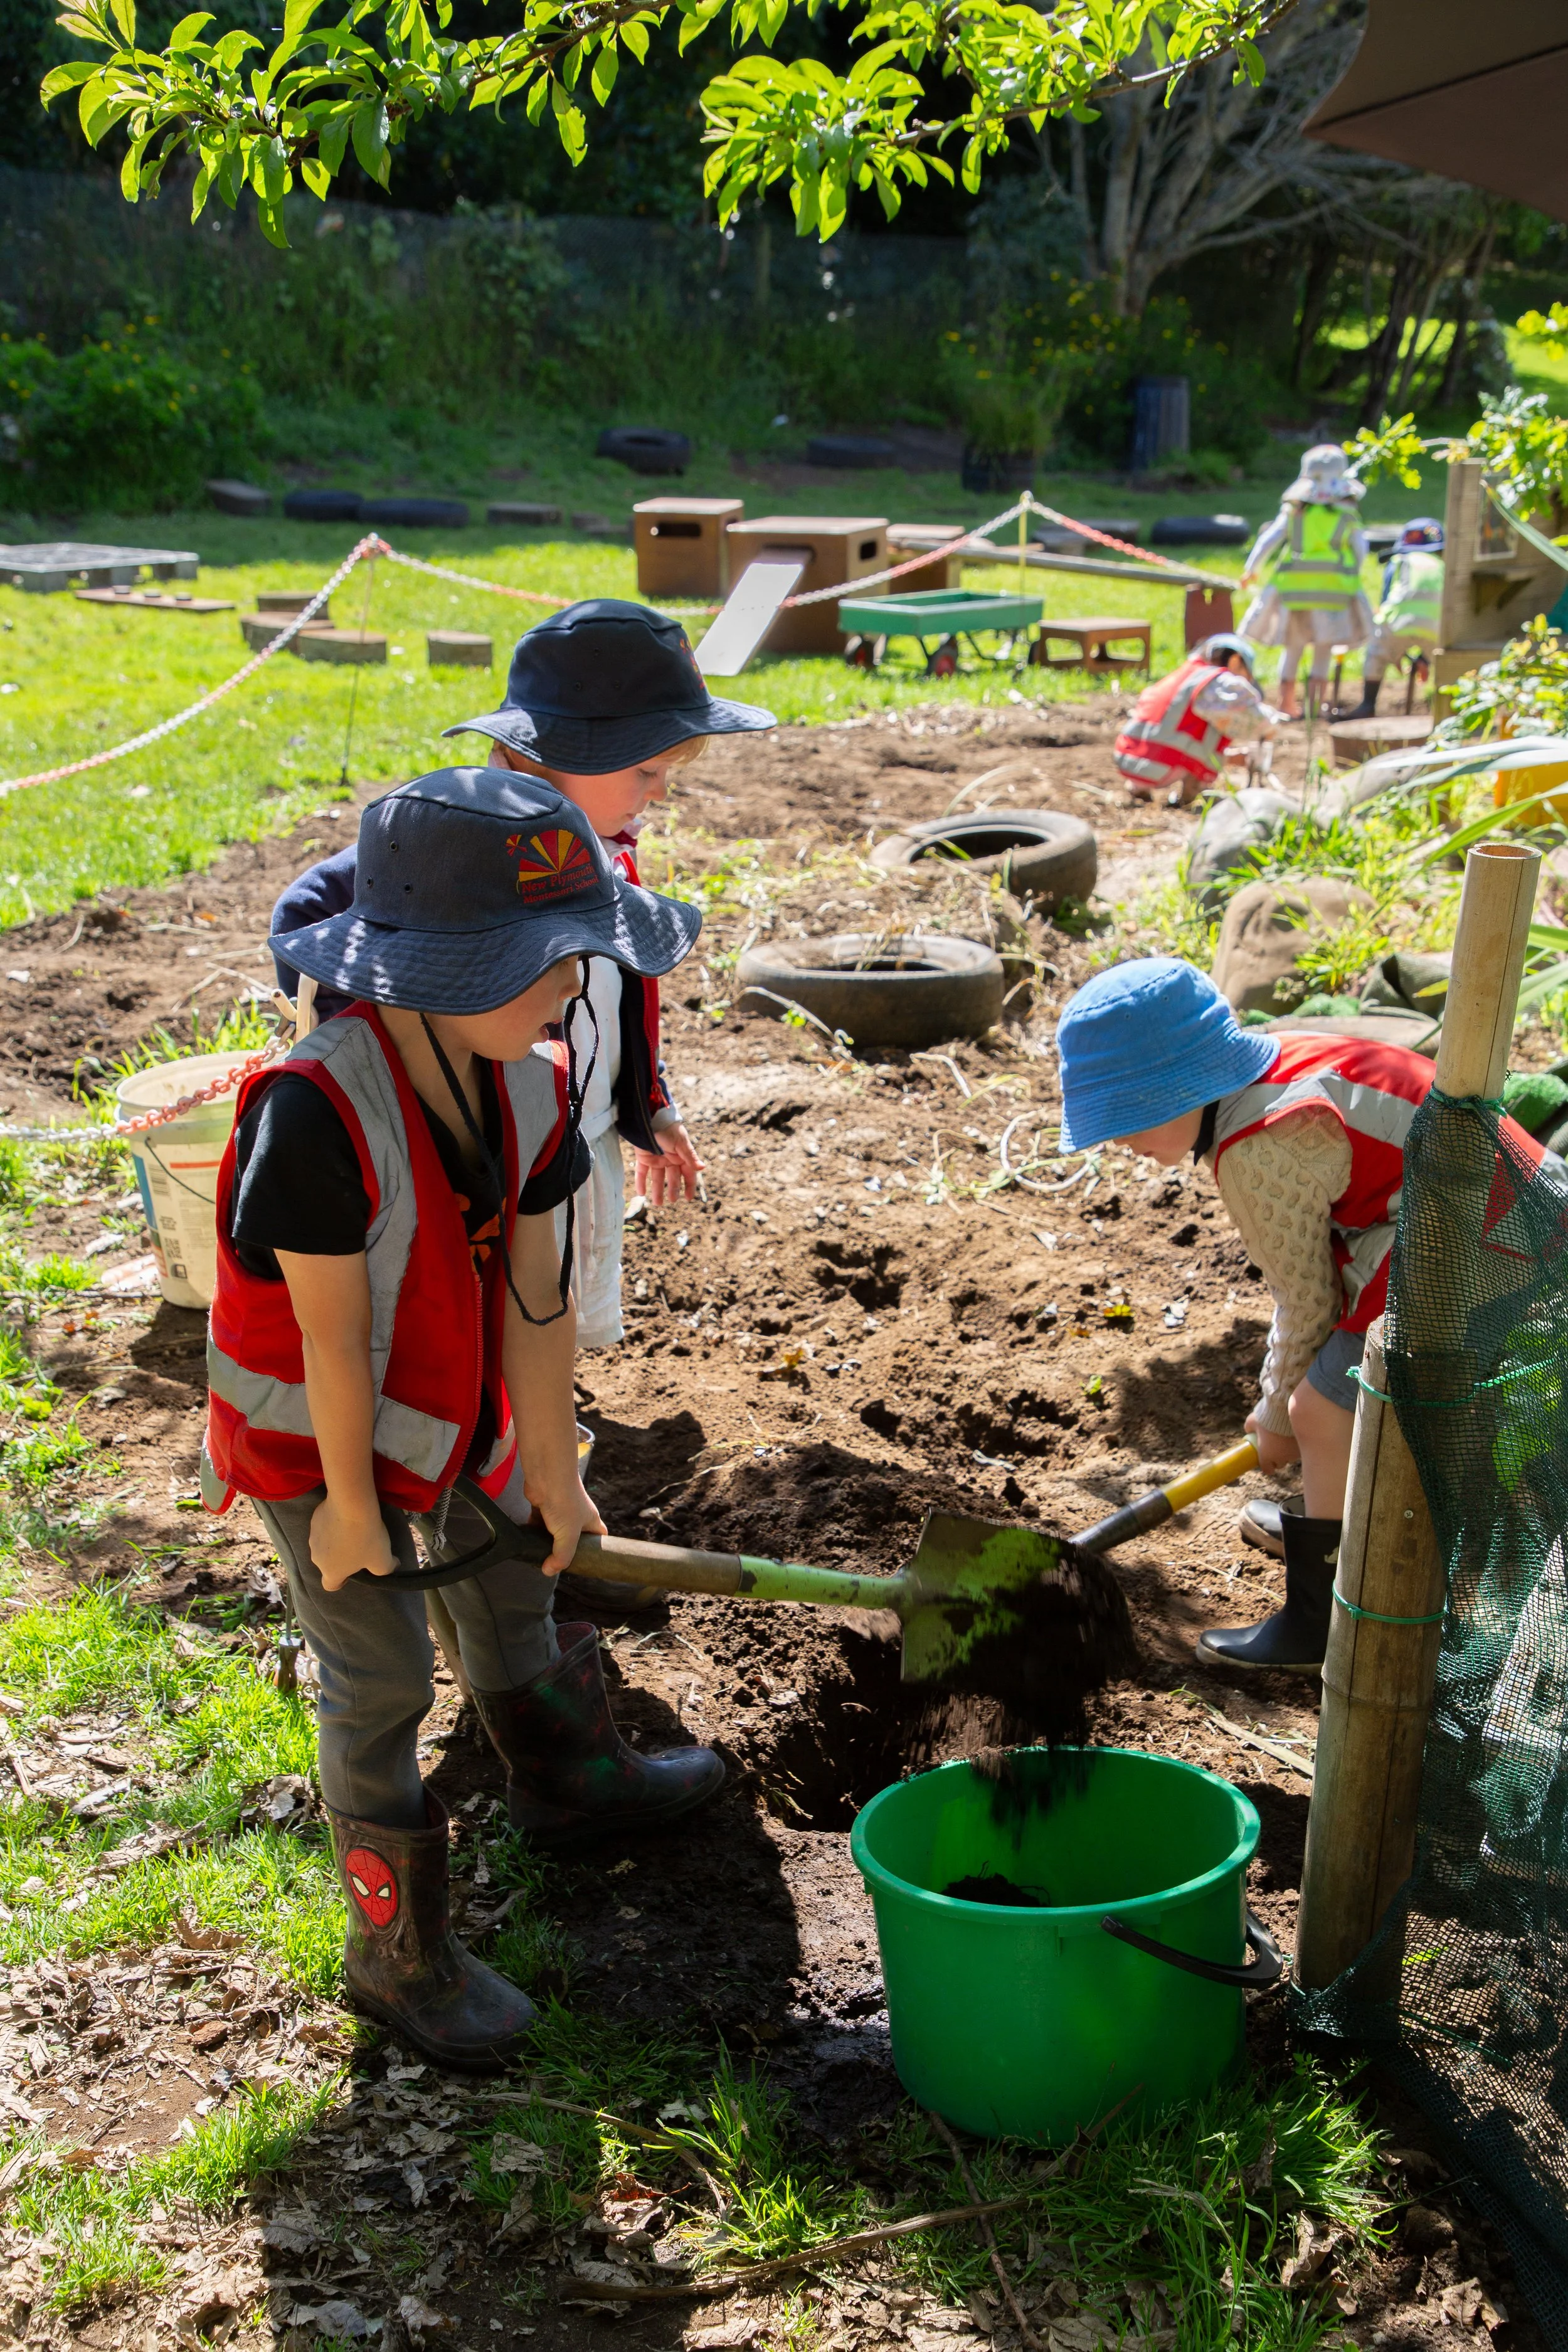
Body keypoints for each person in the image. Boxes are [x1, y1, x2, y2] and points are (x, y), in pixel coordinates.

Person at [205, 765, 727, 2070]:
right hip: (317, 1446)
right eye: (542, 965)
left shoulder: (534, 1087)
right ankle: (397, 1954)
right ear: (425, 969)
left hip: (454, 1408)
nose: (571, 989)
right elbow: (328, 1339)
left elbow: (537, 1301)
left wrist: (552, 1472)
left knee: (514, 1582)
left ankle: (562, 1778)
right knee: (380, 1673)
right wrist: (352, 1512)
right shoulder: (312, 1113)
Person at [272, 600, 776, 1609]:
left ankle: (547, 1491)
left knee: (546, 1318)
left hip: (563, 1131)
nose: (659, 794)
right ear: (556, 757)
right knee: (470, 1323)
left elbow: (624, 993)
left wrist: (648, 1105)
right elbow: (309, 917)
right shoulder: (448, 846)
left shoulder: (602, 853)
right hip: (462, 1161)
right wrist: (345, 1016)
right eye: (647, 772)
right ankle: (517, 1520)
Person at [1053, 957, 1543, 1675]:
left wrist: (1280, 1416)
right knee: (1329, 1399)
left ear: (1177, 1092)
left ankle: (1319, 1624)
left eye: (1122, 1120)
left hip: (1481, 1240)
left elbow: (1306, 1301)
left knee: (1320, 1409)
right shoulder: (1277, 1065)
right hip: (1470, 1216)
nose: (1116, 1143)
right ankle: (1335, 1524)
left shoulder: (1259, 1150)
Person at [1239, 445, 1372, 720]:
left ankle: (1286, 704)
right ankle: (1314, 708)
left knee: (1294, 647)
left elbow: (1269, 539)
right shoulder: (1347, 516)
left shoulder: (1294, 513)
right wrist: (1355, 571)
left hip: (1294, 593)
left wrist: (1251, 568)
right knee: (1324, 648)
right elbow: (1361, 548)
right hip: (1333, 593)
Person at [1112, 633, 1284, 805]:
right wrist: (1272, 726)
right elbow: (1252, 715)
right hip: (1158, 766)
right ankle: (1193, 791)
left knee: (1195, 719)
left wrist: (1233, 758)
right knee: (1218, 723)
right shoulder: (1216, 680)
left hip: (1128, 755)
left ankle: (1139, 786)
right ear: (1235, 661)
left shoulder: (1186, 675)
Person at [1343, 518, 1444, 720]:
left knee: (1377, 654)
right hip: (1437, 628)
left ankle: (1368, 704)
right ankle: (1445, 709)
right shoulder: (1442, 567)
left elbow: (1387, 599)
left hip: (1397, 624)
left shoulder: (1399, 562)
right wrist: (1424, 657)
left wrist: (1395, 652)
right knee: (1445, 660)